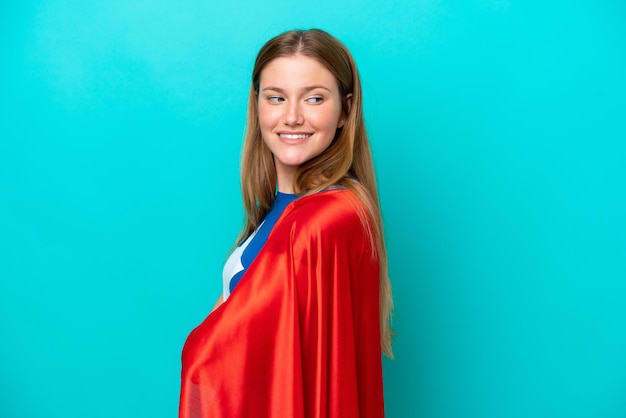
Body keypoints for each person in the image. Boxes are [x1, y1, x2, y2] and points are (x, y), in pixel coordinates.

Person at [179, 28, 393, 418]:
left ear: (345, 109)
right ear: (257, 105)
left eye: (314, 98)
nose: (292, 117)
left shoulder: (325, 220)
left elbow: (214, 352)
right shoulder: (279, 213)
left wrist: (200, 346)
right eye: (276, 98)